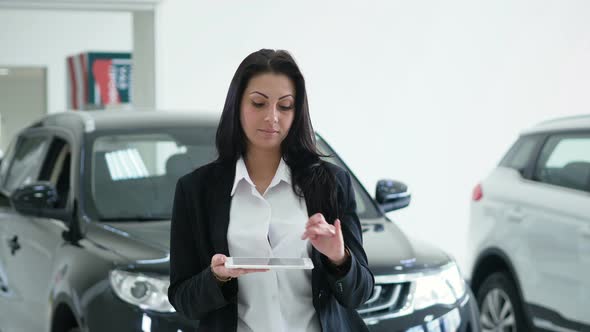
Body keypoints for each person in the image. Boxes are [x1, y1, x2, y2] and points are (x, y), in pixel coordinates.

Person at [168, 49, 374, 332]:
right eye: (258, 103)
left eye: (285, 106)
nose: (272, 117)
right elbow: (183, 299)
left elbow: (359, 294)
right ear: (237, 104)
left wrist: (339, 258)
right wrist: (216, 278)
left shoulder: (331, 183)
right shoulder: (196, 190)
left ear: (297, 111)